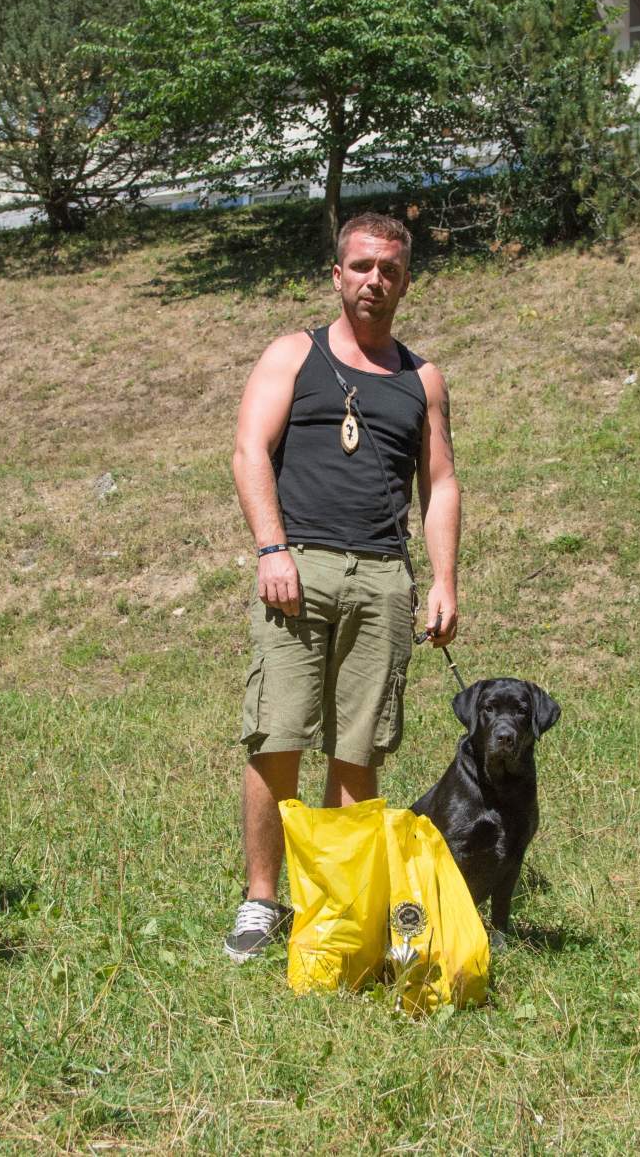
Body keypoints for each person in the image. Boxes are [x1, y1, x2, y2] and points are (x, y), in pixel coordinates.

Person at [223, 211, 461, 962]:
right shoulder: (293, 353)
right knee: (277, 738)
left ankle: (334, 905)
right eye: (361, 266)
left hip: (384, 581)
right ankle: (264, 900)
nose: (374, 280)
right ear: (337, 273)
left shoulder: (421, 379)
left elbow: (442, 483)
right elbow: (248, 451)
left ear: (406, 280)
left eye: (389, 269)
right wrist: (271, 548)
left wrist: (444, 580)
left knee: (359, 749)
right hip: (300, 567)